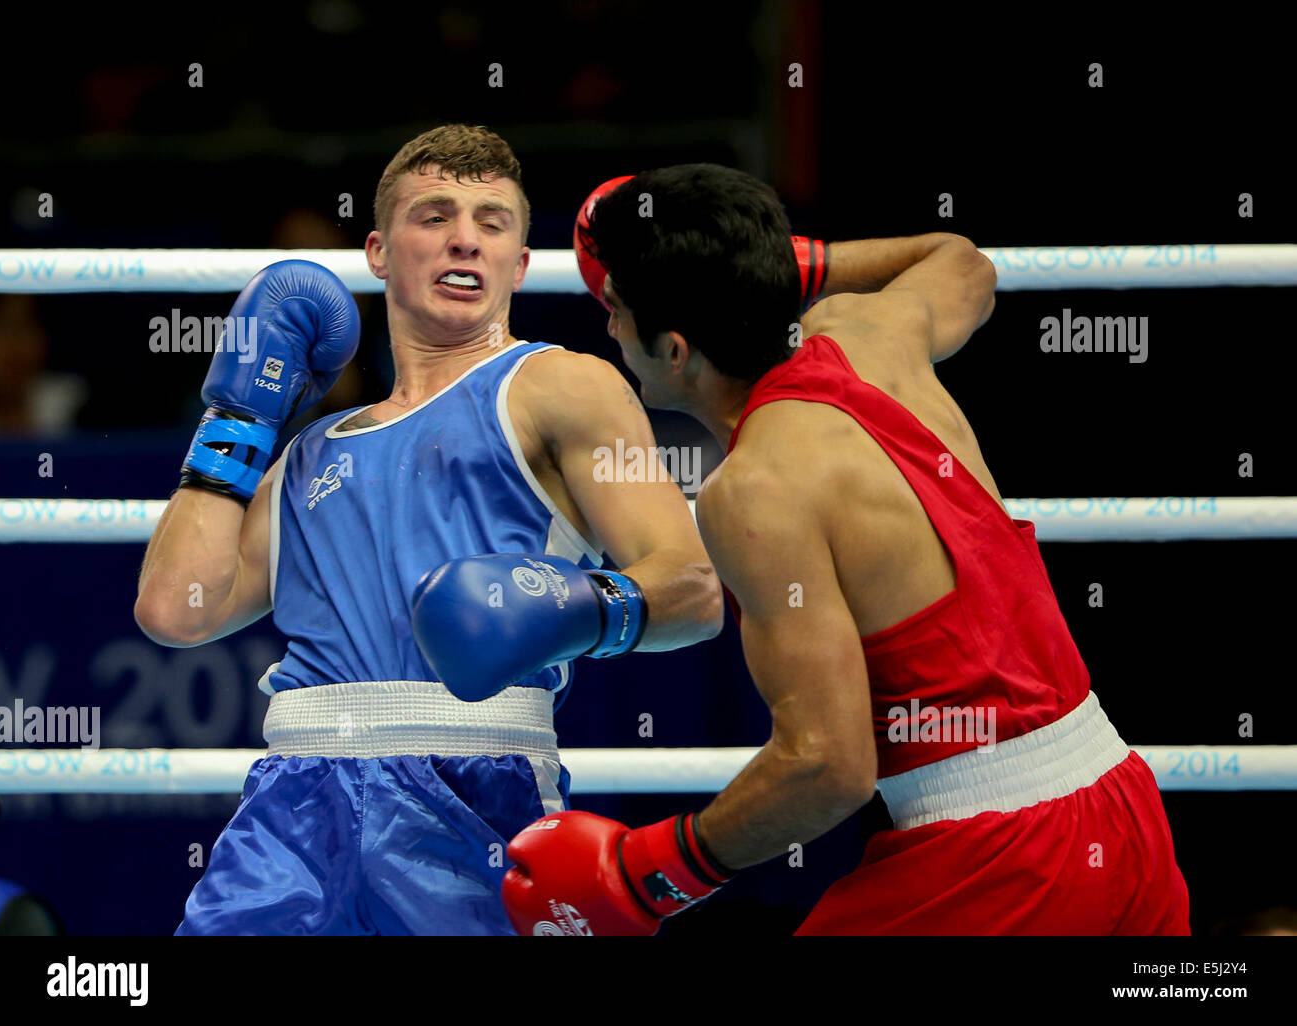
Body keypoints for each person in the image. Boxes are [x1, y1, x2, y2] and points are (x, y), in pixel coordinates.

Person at [500, 165, 1191, 935]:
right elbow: (961, 258)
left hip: (999, 859)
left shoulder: (754, 489)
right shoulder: (870, 337)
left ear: (675, 350)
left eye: (617, 312)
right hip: (1122, 807)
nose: (610, 329)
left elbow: (828, 766)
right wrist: (771, 265)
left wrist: (651, 872)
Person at [133, 126, 722, 935]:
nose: (464, 240)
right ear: (378, 251)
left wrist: (563, 604)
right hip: (292, 811)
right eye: (435, 215)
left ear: (519, 263)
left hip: (473, 790)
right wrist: (238, 418)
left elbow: (692, 590)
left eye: (492, 221)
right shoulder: (313, 448)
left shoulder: (560, 386)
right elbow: (177, 610)